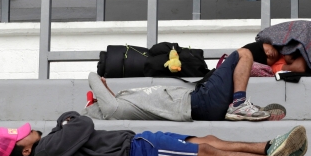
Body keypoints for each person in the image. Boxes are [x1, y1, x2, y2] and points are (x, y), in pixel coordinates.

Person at [0, 112, 308, 156]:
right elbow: (83, 123)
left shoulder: (46, 143)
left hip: (140, 141)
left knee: (205, 139)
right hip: (137, 154)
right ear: (26, 149)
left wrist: (67, 121)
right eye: (21, 137)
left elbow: (77, 124)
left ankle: (268, 146)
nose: (27, 131)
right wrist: (66, 121)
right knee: (208, 153)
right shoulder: (45, 150)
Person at [83, 49, 275, 122]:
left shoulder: (121, 104)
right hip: (201, 101)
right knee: (244, 54)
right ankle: (239, 104)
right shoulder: (113, 110)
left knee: (235, 67)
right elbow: (92, 76)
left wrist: (105, 89)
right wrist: (99, 88)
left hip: (202, 102)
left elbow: (111, 97)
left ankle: (239, 106)